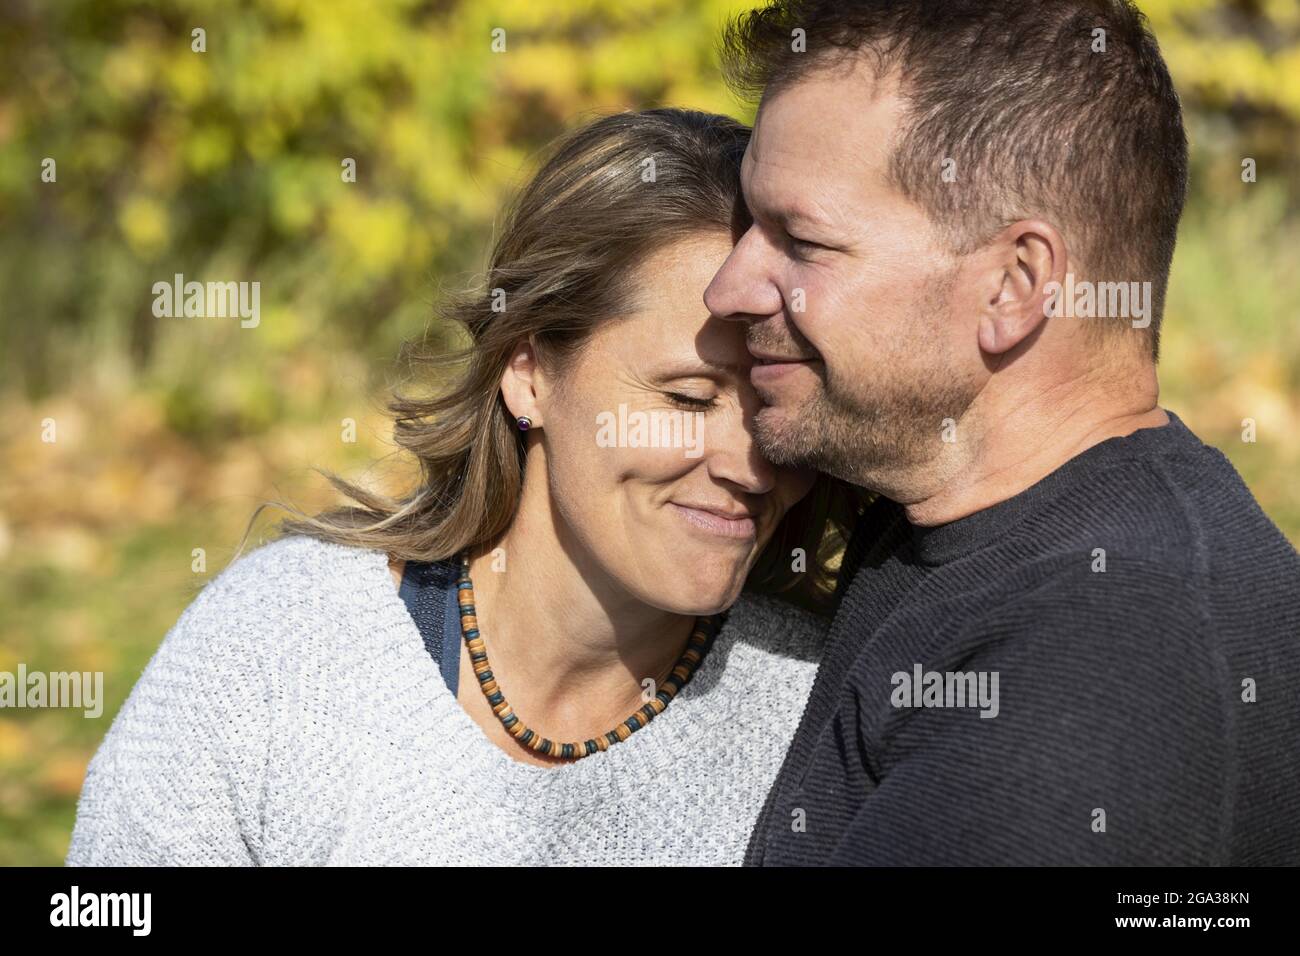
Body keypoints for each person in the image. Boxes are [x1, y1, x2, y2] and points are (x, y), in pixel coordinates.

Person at [65, 108, 866, 866]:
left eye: (776, 408)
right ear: (528, 372)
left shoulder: (818, 714)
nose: (750, 465)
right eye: (688, 399)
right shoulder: (278, 650)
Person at [704, 0, 1300, 865]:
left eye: (801, 241)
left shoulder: (1097, 665)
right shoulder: (962, 529)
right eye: (747, 228)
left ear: (1014, 286)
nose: (730, 288)